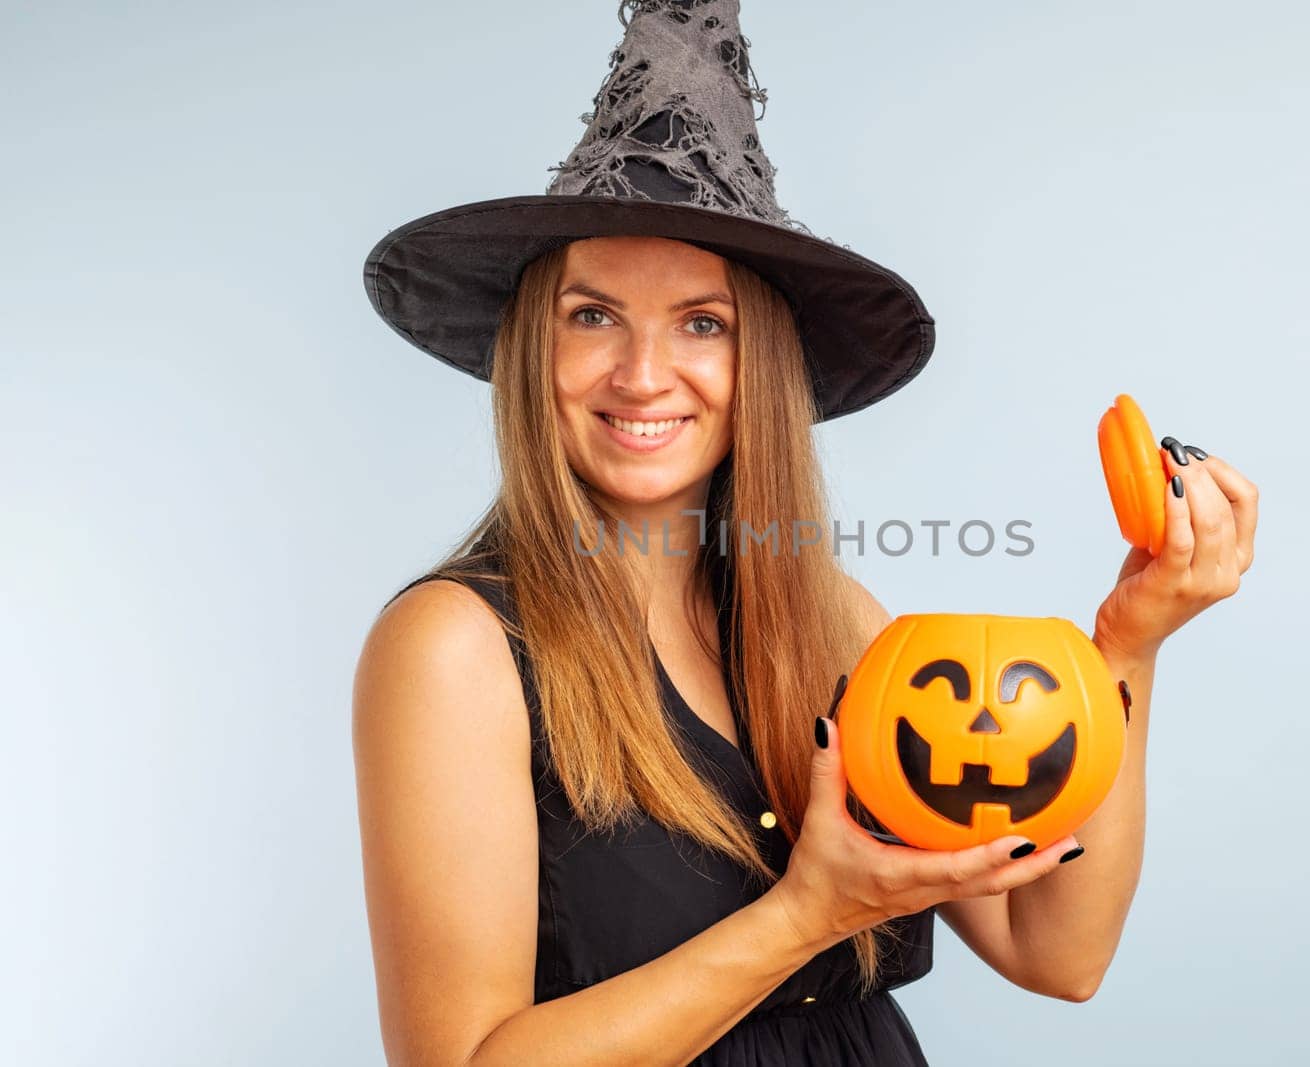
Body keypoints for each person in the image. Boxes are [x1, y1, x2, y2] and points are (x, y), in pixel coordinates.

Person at [352, 4, 1259, 1065]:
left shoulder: (831, 618)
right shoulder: (454, 646)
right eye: (591, 315)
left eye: (703, 323)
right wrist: (808, 910)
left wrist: (1128, 645)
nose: (643, 375)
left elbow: (1056, 949)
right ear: (527, 351)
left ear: (764, 369)